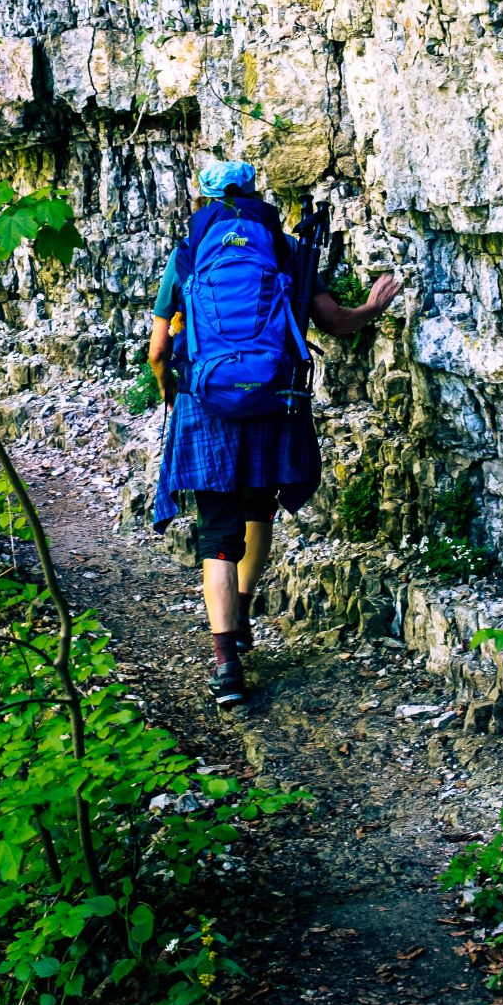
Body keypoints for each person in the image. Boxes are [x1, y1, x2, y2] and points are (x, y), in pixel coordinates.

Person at [148, 159, 401, 707]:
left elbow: (159, 351)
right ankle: (241, 613)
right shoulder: (283, 247)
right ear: (256, 192)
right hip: (270, 397)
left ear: (205, 199)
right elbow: (334, 320)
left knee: (217, 535)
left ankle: (225, 666)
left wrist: (175, 393)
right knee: (258, 510)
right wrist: (374, 306)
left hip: (204, 403)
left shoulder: (187, 253)